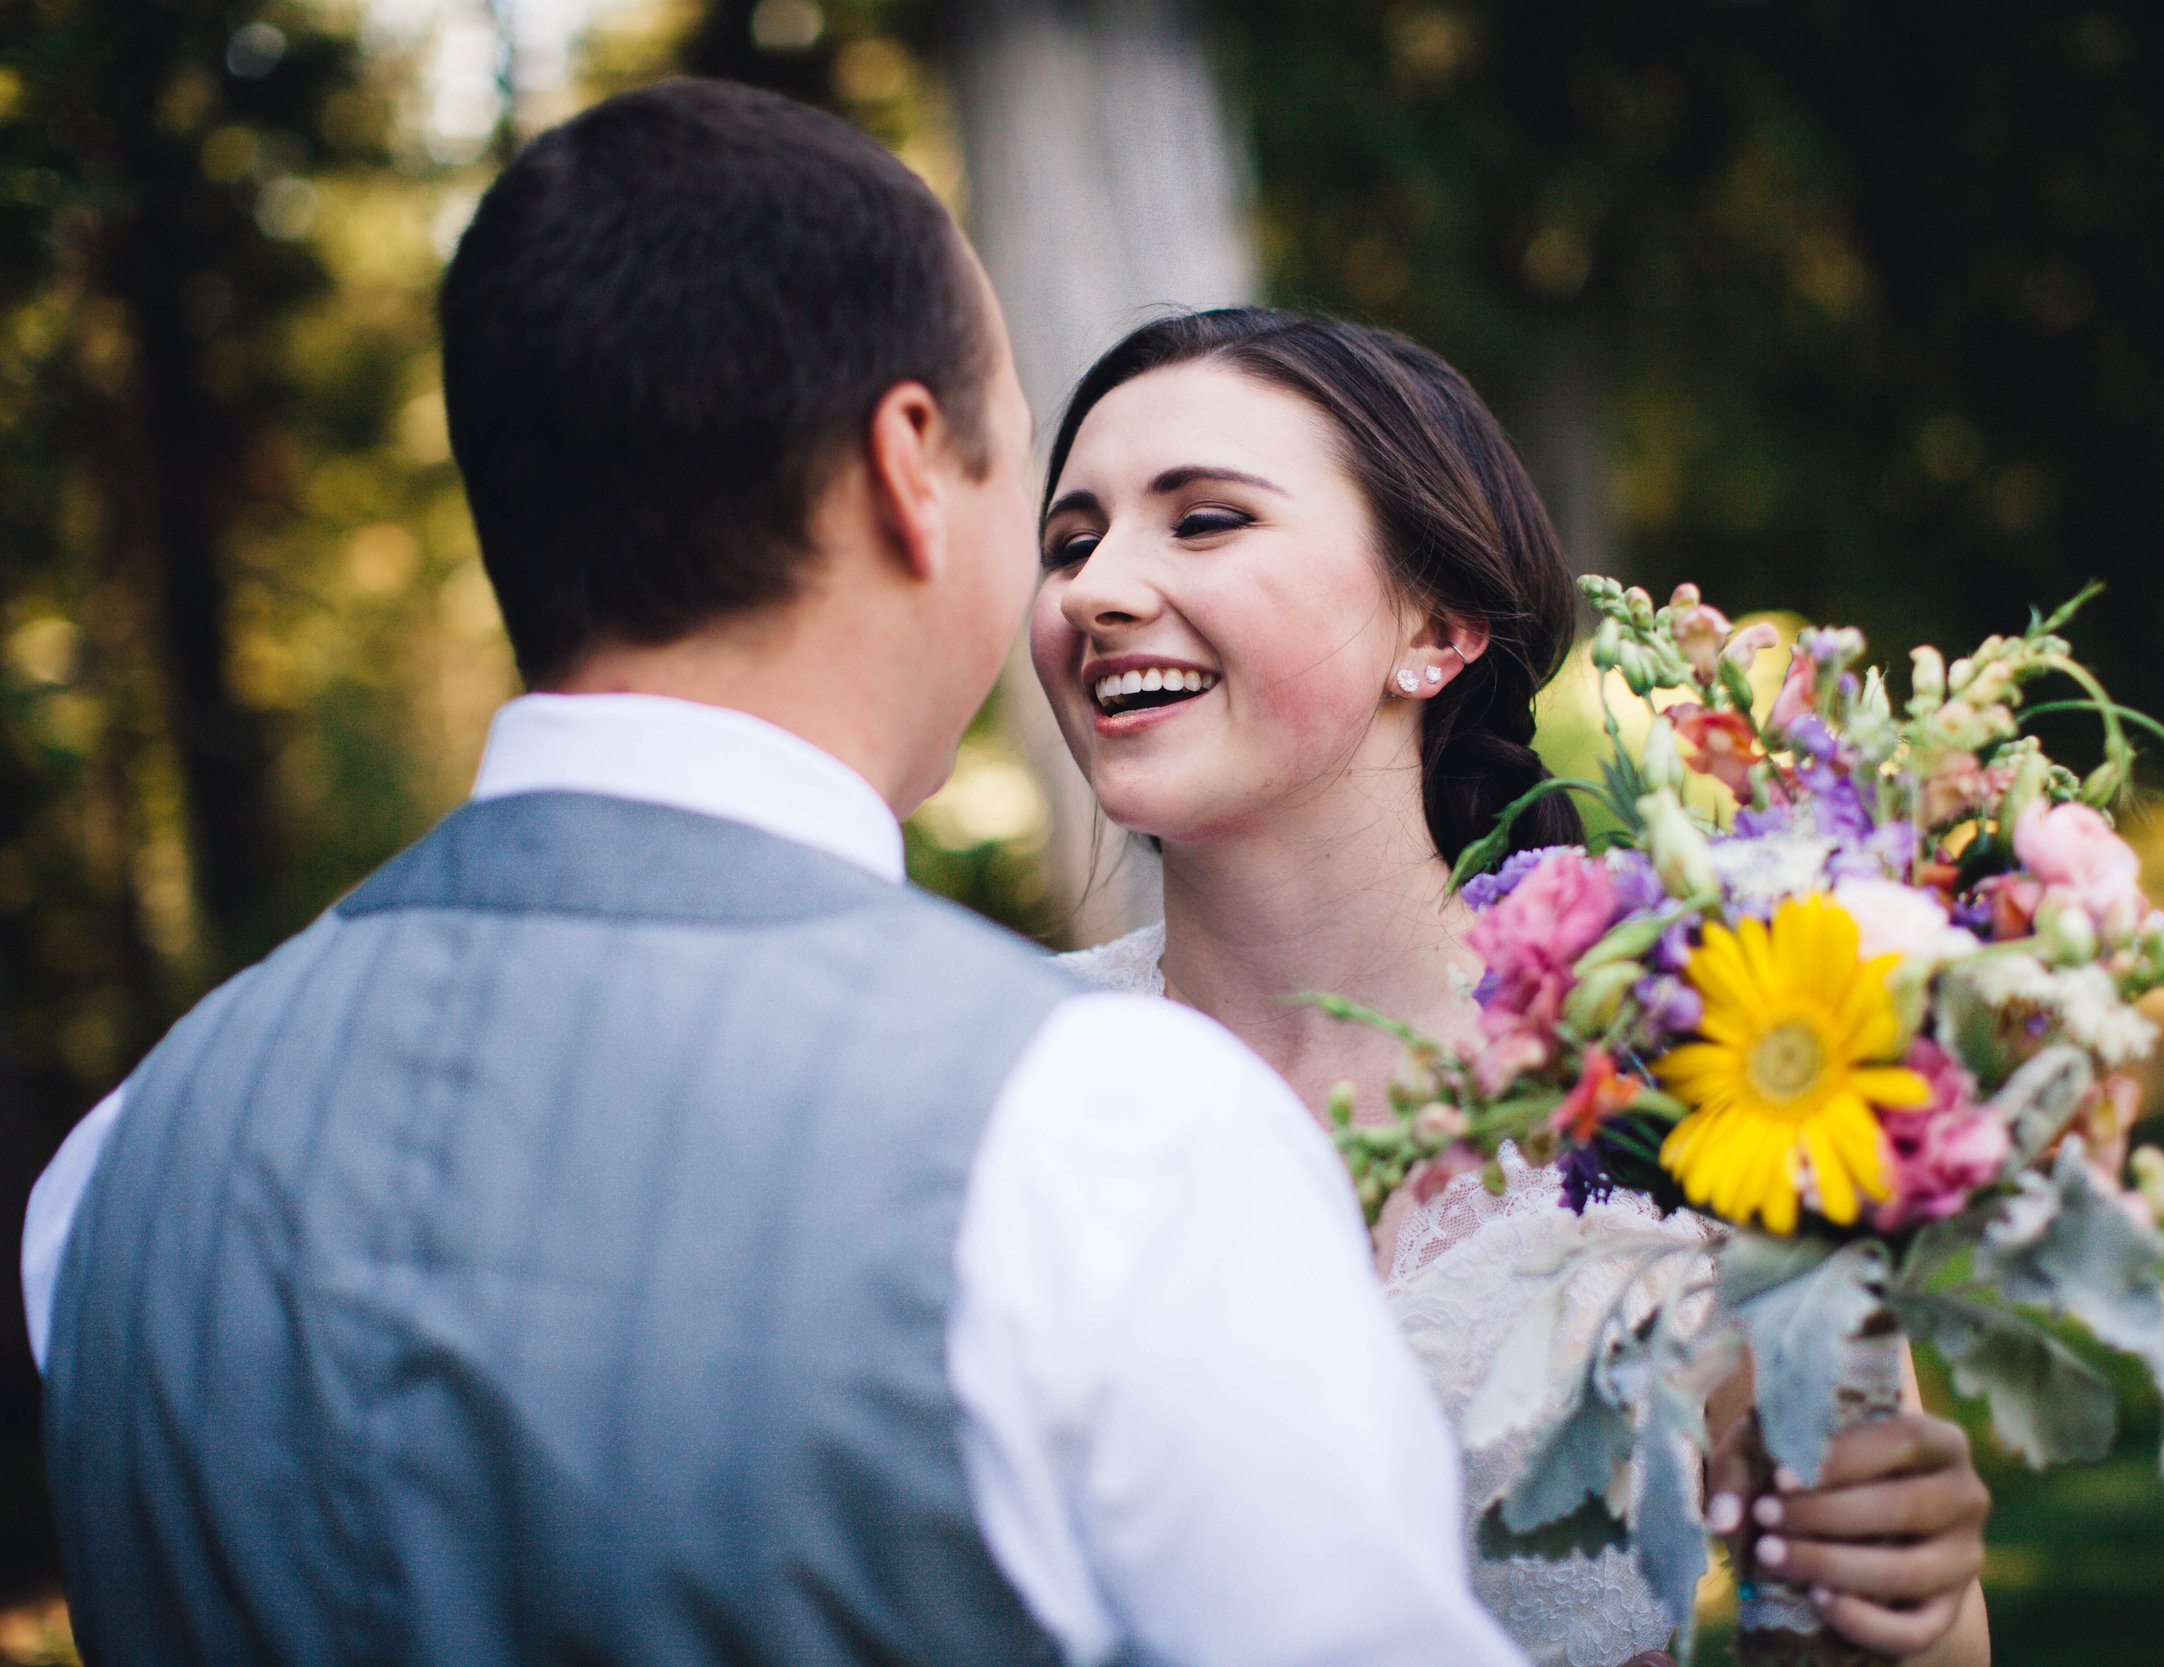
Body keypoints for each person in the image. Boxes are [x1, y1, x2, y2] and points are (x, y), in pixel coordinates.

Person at [20, 83, 1529, 1667]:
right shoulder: (1096, 1133)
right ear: (907, 467)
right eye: (1042, 501)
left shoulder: (116, 1167)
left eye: (1203, 519)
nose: (1088, 589)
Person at [1035, 308, 1994, 1667]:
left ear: (1435, 625)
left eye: (1202, 523)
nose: (1092, 589)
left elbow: (1857, 1621)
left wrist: (1903, 1590)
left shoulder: (1695, 1070)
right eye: (1070, 543)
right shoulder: (987, 1071)